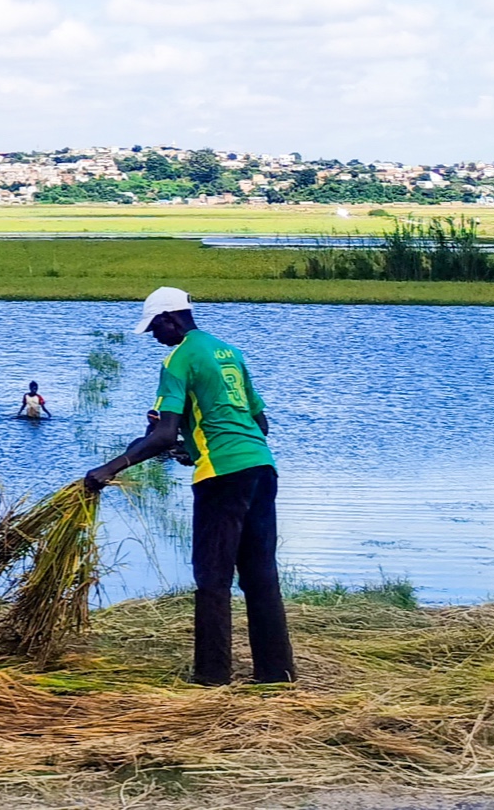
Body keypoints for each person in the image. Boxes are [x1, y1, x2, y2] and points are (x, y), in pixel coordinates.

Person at [83, 286, 294, 686]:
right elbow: (259, 425)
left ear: (171, 319)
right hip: (261, 470)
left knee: (212, 578)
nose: (154, 337)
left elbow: (162, 435)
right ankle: (277, 674)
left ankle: (212, 677)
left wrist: (109, 469)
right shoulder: (229, 352)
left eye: (155, 329)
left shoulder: (179, 359)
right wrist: (194, 447)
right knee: (260, 575)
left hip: (222, 478)